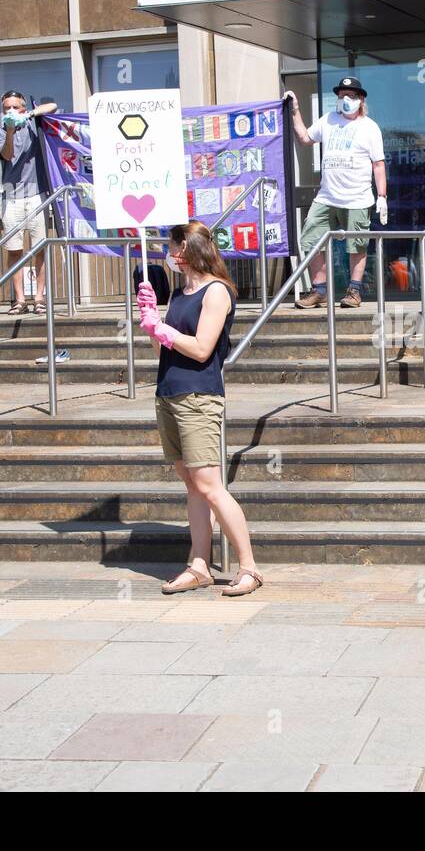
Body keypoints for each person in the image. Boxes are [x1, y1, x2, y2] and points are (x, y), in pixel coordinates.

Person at [137, 221, 262, 597]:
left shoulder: (218, 291)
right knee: (192, 484)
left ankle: (250, 567)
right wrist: (152, 322)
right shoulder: (178, 294)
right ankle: (199, 565)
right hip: (169, 391)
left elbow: (202, 348)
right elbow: (165, 351)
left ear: (185, 251)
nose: (165, 254)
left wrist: (165, 331)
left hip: (199, 396)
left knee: (209, 485)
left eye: (170, 247)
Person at [282, 76, 387, 309]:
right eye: (341, 97)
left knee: (356, 245)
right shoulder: (328, 120)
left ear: (361, 100)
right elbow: (304, 138)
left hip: (357, 197)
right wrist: (295, 110)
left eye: (350, 96)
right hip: (327, 196)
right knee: (310, 238)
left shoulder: (369, 127)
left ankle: (354, 291)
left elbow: (378, 165)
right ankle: (319, 290)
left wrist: (382, 196)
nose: (345, 100)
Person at [0, 90, 57, 315]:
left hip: (36, 194)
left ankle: (39, 297)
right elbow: (8, 156)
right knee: (14, 250)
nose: (10, 111)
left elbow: (53, 106)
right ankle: (19, 299)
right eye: (6, 108)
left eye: (15, 107)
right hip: (12, 197)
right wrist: (10, 130)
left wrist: (28, 115)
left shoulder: (33, 124)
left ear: (22, 108)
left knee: (39, 248)